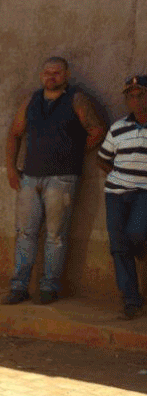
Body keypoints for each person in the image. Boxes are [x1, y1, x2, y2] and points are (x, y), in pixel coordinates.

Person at [3, 57, 106, 305]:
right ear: (42, 75)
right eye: (47, 72)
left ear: (66, 75)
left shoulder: (76, 99)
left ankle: (49, 287)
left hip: (62, 178)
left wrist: (73, 154)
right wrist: (11, 169)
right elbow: (15, 133)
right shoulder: (32, 100)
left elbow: (97, 130)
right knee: (24, 233)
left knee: (55, 235)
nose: (52, 77)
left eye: (57, 72)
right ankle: (19, 287)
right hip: (30, 177)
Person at [98, 75, 147, 319]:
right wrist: (117, 176)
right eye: (131, 97)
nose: (136, 101)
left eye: (141, 95)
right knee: (118, 246)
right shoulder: (118, 128)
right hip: (115, 194)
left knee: (137, 234)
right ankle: (131, 300)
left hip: (144, 193)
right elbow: (102, 158)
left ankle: (140, 248)